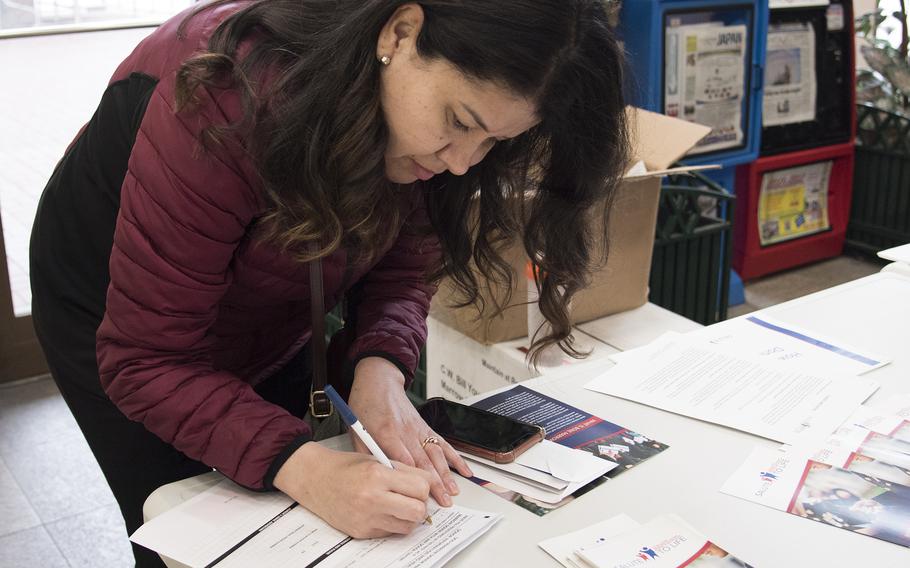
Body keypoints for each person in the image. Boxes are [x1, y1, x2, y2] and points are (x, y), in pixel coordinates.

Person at [29, 0, 629, 565]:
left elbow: (402, 265)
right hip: (116, 313)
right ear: (400, 34)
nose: (464, 161)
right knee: (186, 520)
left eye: (494, 140)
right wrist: (301, 465)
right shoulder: (224, 100)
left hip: (263, 301)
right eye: (459, 122)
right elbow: (146, 359)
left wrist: (380, 371)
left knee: (296, 493)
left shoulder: (430, 126)